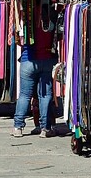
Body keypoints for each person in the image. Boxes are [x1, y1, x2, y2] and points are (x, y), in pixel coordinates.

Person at [11, 8, 58, 138]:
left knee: (25, 95)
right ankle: (45, 128)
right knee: (45, 95)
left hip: (28, 60)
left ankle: (18, 127)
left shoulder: (25, 16)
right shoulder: (51, 17)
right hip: (48, 59)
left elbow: (17, 39)